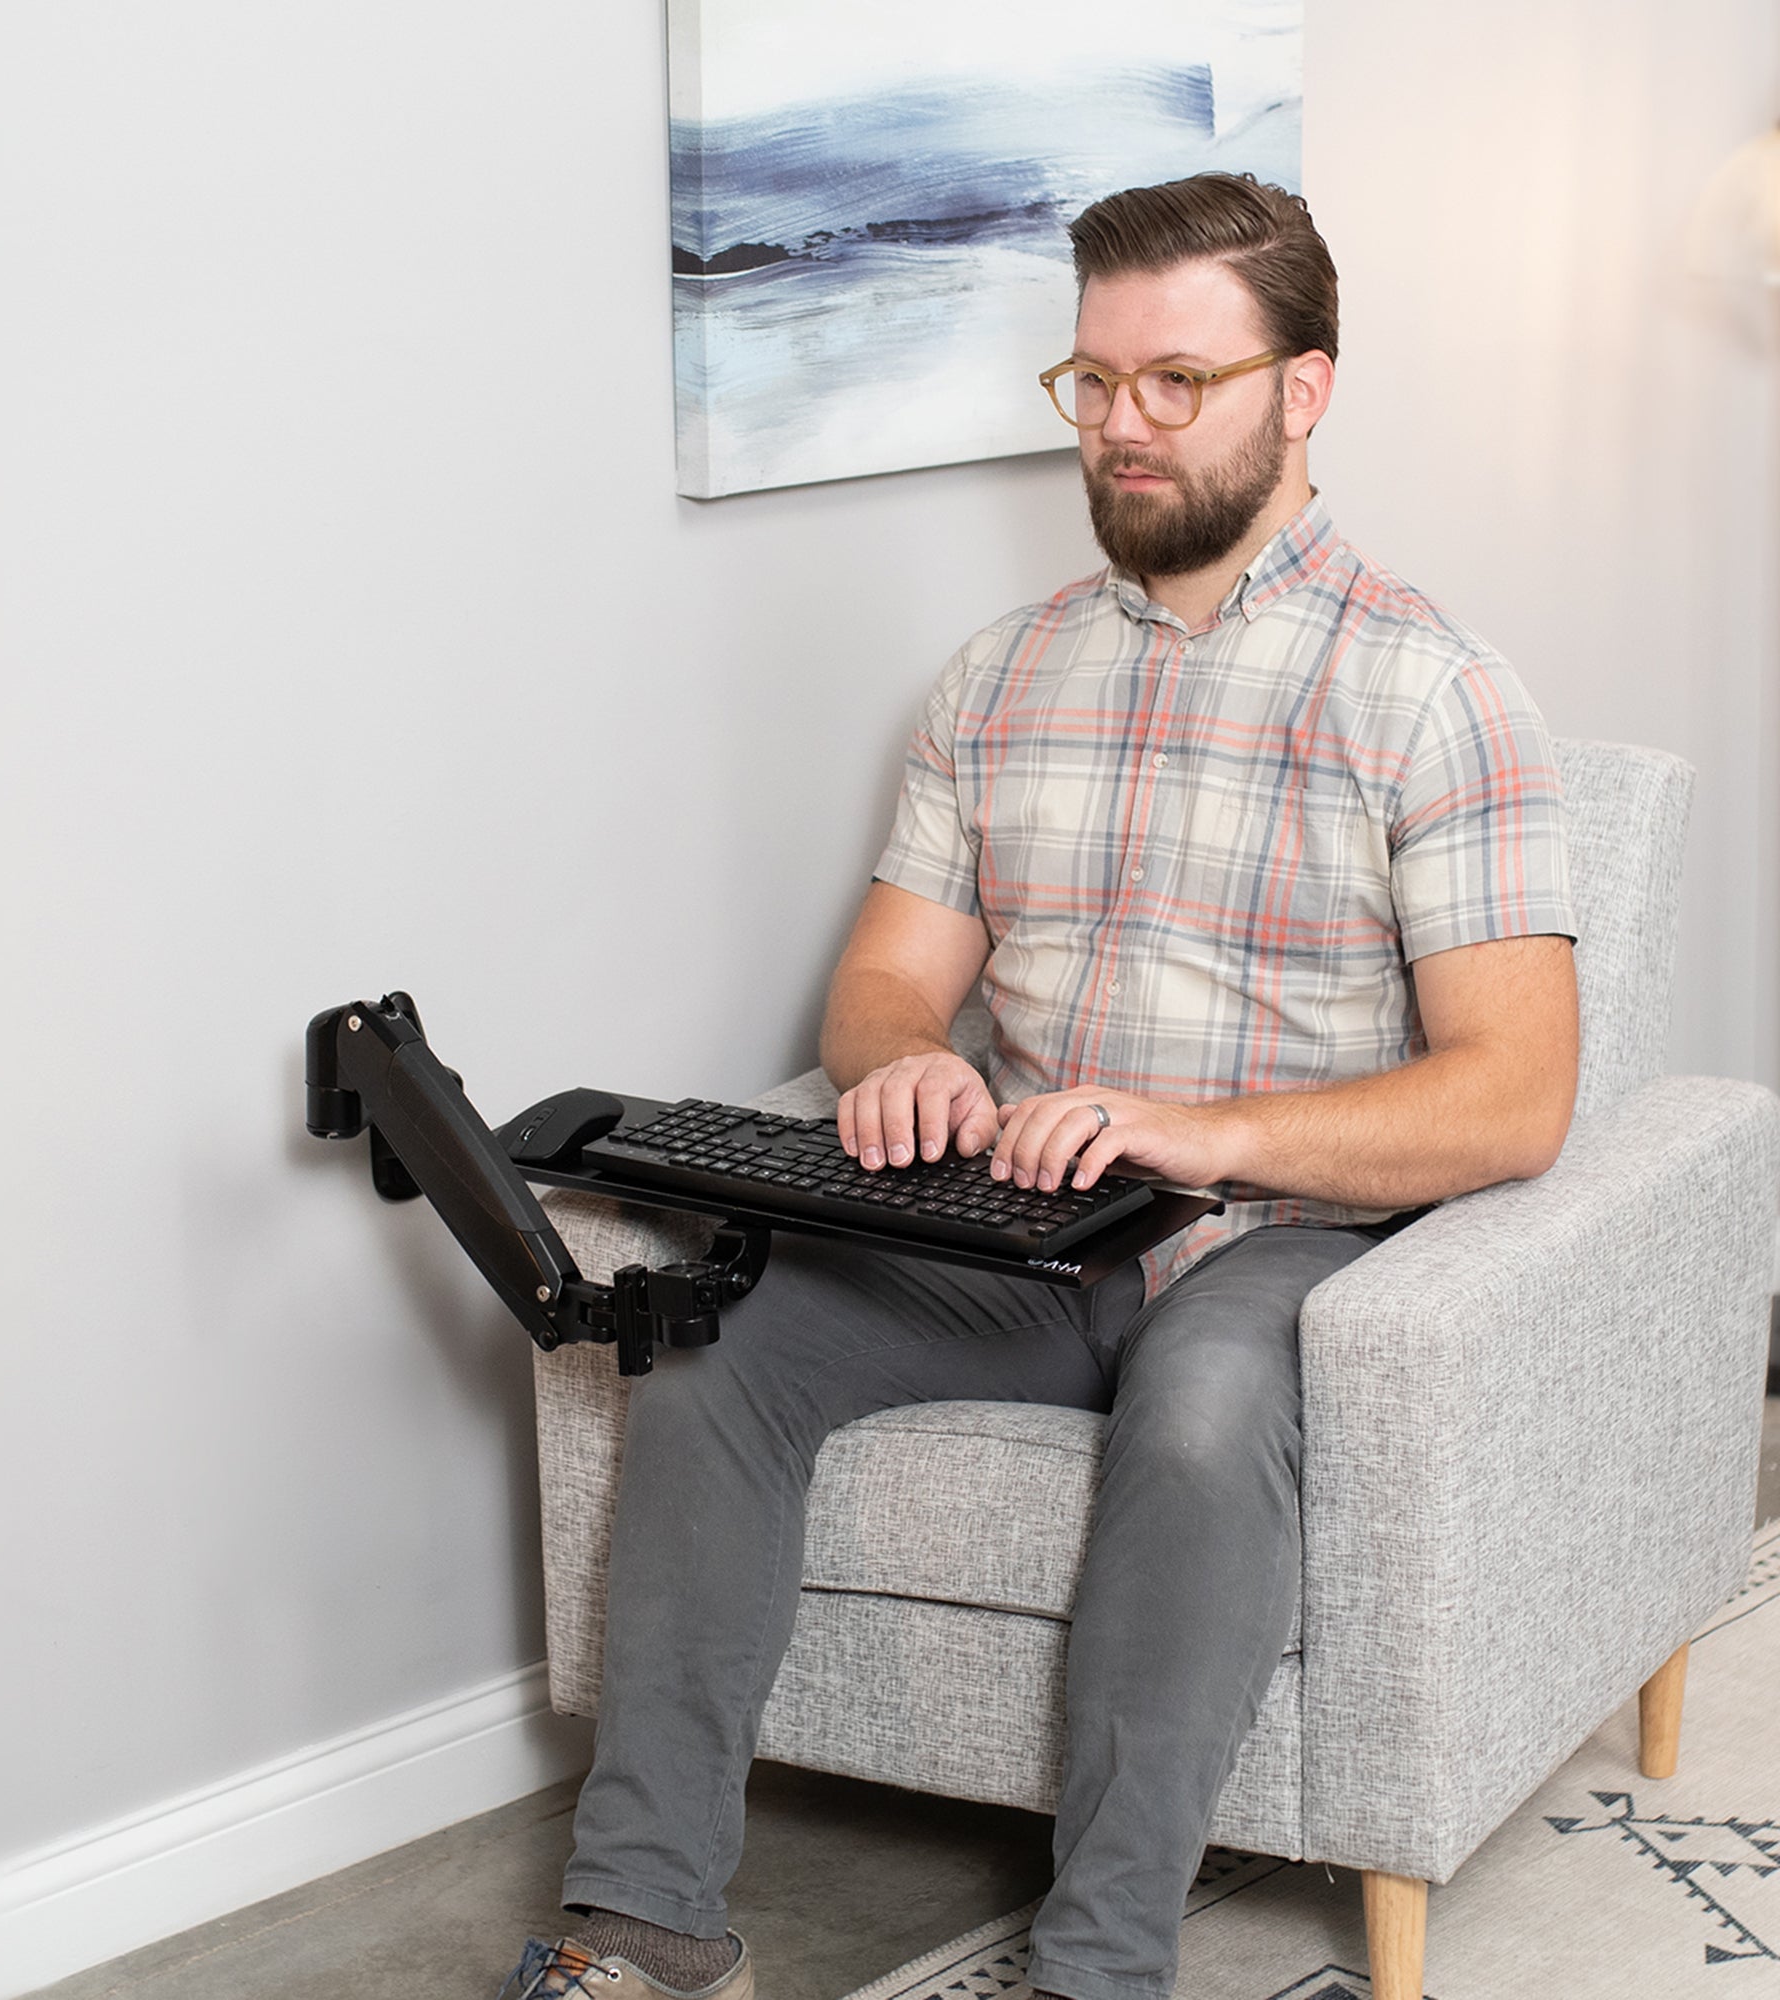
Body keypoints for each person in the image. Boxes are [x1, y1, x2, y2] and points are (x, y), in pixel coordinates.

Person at [502, 172, 1578, 2000]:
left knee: (1201, 1416)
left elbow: (1519, 1096)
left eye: (1178, 381)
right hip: (1024, 1228)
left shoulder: (1433, 691)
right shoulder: (998, 681)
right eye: (1092, 383)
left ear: (1302, 389)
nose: (1125, 427)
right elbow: (885, 979)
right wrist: (904, 1062)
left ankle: (1101, 1970)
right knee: (702, 1344)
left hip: (1286, 1235)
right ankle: (648, 1925)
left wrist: (1205, 1139)